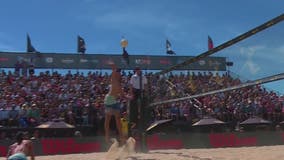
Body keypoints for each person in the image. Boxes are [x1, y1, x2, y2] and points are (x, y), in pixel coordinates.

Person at [104, 63, 124, 144]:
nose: (119, 73)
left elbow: (123, 95)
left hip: (115, 101)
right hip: (109, 99)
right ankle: (107, 136)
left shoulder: (120, 84)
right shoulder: (114, 79)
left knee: (118, 118)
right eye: (118, 72)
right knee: (108, 118)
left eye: (120, 72)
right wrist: (113, 65)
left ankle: (121, 137)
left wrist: (129, 97)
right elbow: (114, 71)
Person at [129, 67, 147, 136]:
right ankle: (135, 115)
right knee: (134, 103)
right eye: (137, 70)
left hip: (141, 90)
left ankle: (141, 113)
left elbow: (145, 85)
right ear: (136, 71)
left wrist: (145, 91)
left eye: (139, 70)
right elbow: (131, 85)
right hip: (135, 90)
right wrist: (131, 92)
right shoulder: (133, 76)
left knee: (143, 102)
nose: (139, 71)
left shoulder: (143, 76)